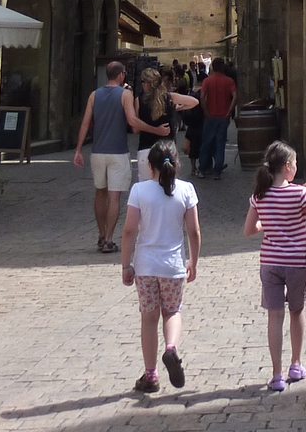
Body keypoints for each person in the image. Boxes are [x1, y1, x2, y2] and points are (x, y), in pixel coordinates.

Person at [243, 141, 306, 392]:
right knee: (296, 311)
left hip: (270, 262)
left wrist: (266, 225)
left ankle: (276, 374)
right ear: (288, 166)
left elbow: (249, 230)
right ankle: (296, 363)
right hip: (296, 262)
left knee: (274, 317)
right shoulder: (300, 194)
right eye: (296, 164)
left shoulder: (259, 195)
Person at [122, 141, 201, 394]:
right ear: (177, 163)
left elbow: (129, 230)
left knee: (148, 318)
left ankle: (151, 374)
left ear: (149, 166)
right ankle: (171, 349)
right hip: (173, 266)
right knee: (172, 311)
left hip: (145, 266)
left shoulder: (139, 191)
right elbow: (194, 231)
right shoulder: (187, 190)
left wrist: (126, 264)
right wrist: (193, 261)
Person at [73, 60, 171, 253]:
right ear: (120, 75)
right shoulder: (125, 94)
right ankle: (109, 239)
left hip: (98, 151)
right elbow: (133, 121)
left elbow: (85, 123)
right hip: (117, 152)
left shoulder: (94, 95)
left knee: (99, 193)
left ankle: (101, 234)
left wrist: (77, 150)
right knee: (114, 197)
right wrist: (156, 130)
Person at [136, 66, 199, 181]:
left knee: (145, 189)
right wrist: (178, 108)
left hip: (145, 148)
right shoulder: (169, 97)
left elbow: (135, 129)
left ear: (146, 84)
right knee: (167, 186)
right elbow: (194, 102)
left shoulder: (139, 100)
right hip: (167, 149)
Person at [197, 56, 237, 179]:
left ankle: (202, 168)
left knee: (206, 143)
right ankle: (217, 170)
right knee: (220, 144)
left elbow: (202, 97)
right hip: (223, 116)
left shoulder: (207, 81)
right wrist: (229, 111)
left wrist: (206, 111)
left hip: (210, 117)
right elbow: (235, 96)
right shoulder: (229, 81)